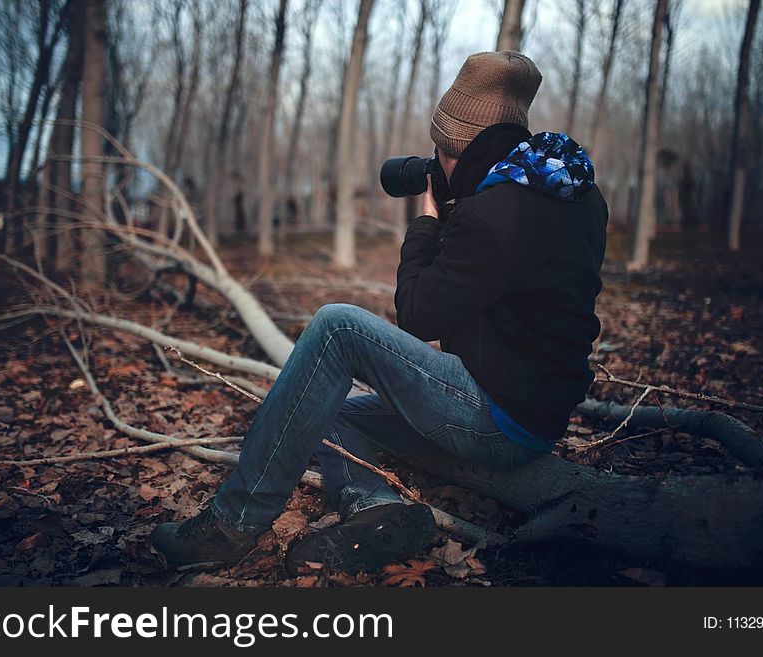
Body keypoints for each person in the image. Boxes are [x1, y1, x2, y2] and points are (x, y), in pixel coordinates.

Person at [150, 50, 608, 575]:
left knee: (336, 327)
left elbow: (417, 313)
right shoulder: (578, 197)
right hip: (541, 411)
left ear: (460, 148)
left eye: (440, 152)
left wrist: (428, 223)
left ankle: (231, 523)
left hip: (496, 417)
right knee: (334, 412)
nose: (436, 164)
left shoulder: (488, 215)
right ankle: (377, 510)